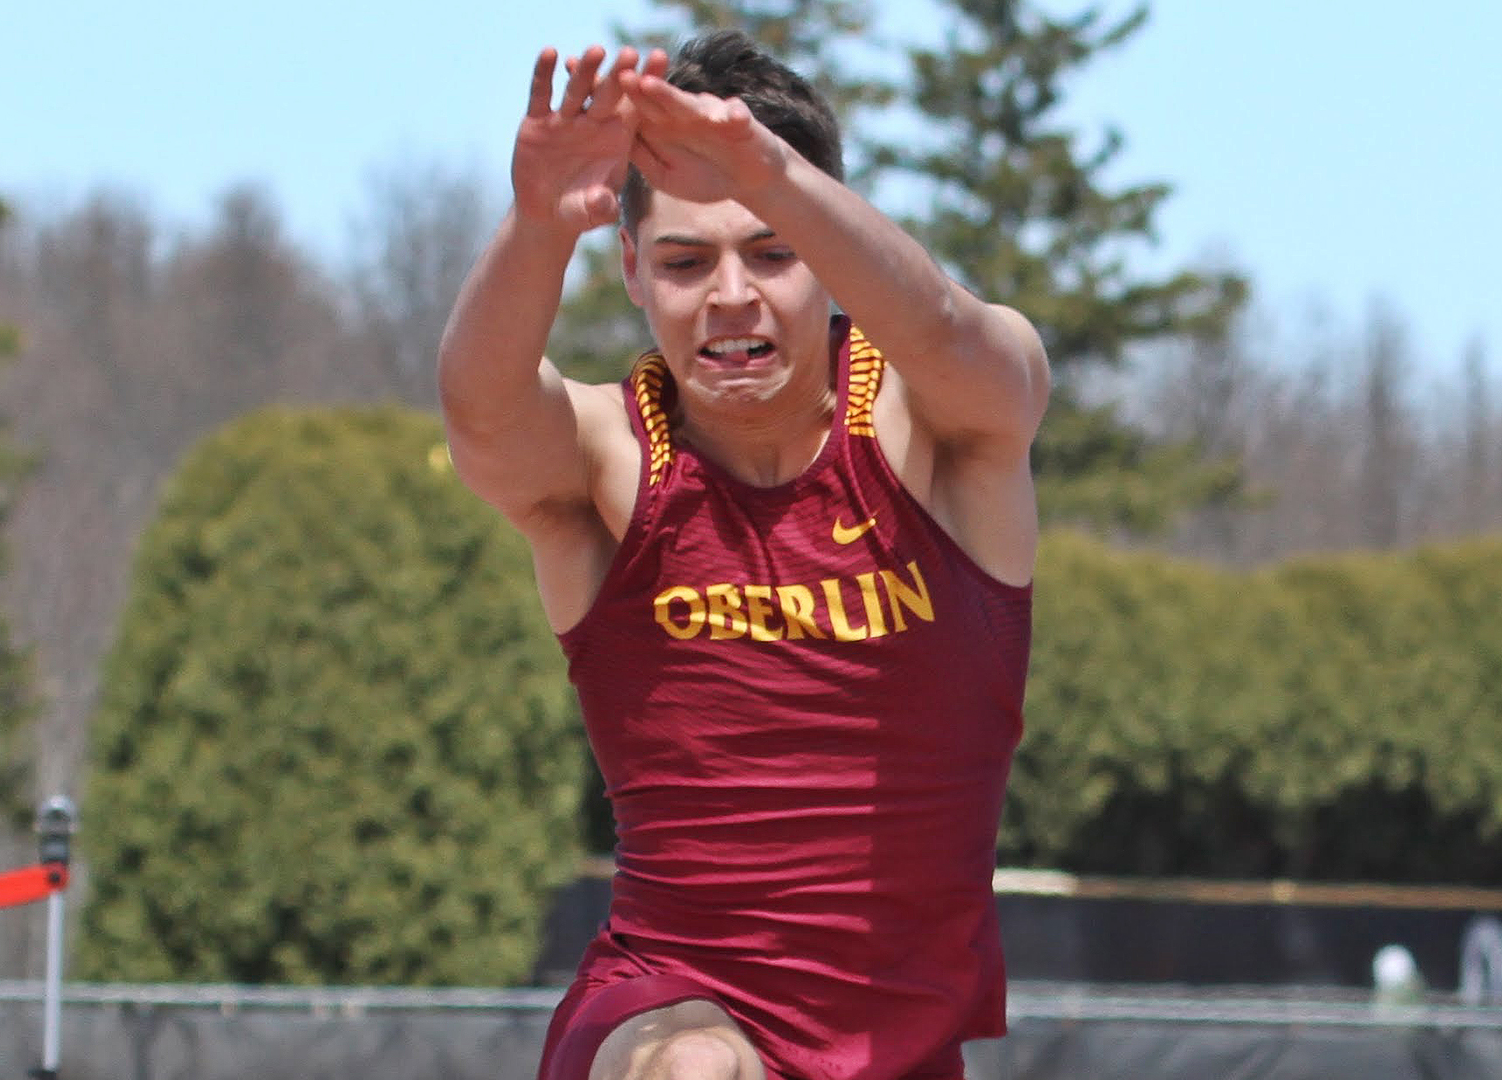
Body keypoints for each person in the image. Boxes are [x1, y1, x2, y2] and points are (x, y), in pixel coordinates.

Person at [438, 30, 1050, 1080]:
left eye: (773, 252)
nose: (730, 294)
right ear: (632, 269)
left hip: (899, 1047)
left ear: (828, 250)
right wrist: (537, 226)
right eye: (685, 262)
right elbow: (483, 417)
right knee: (698, 1070)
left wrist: (772, 171)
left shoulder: (943, 433)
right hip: (670, 1008)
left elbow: (955, 334)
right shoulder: (609, 460)